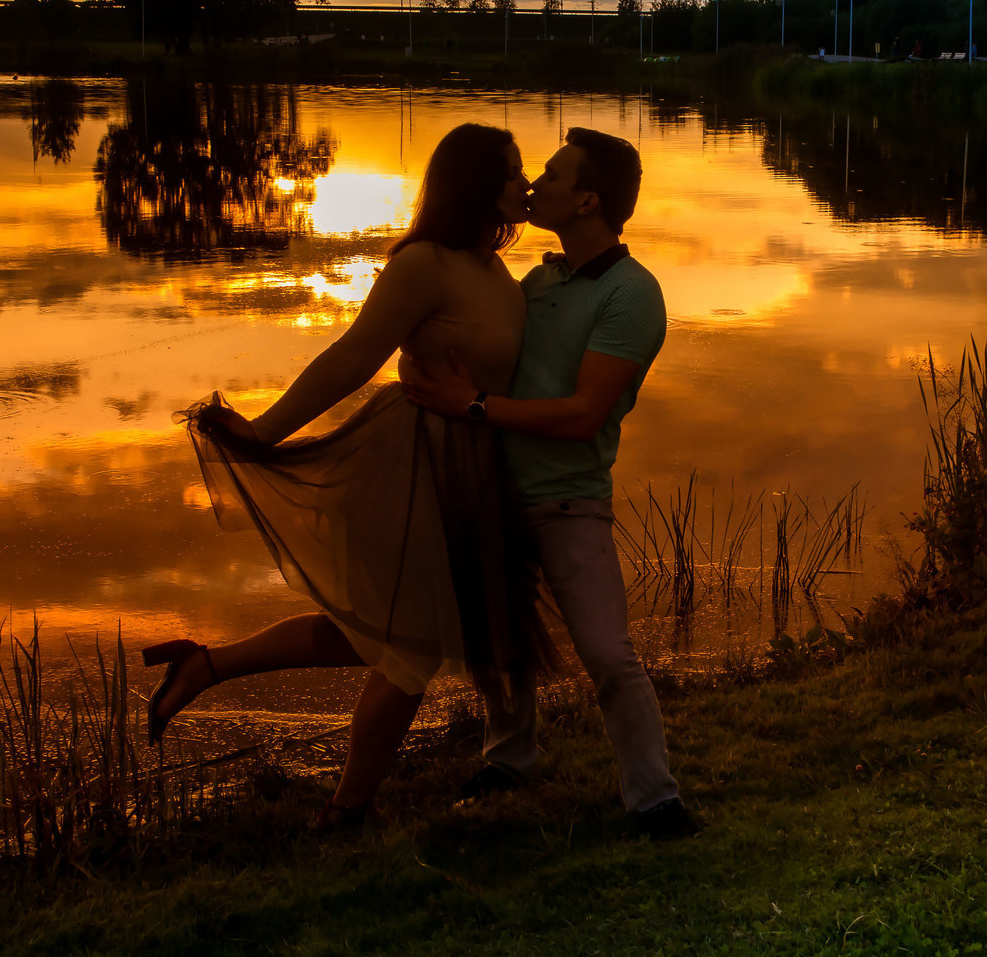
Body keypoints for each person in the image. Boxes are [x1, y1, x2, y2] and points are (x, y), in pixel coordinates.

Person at [142, 123, 547, 832]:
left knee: (375, 635)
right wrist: (266, 431)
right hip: (410, 469)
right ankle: (347, 810)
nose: (527, 183)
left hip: (472, 475)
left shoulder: (497, 274)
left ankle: (205, 666)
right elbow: (354, 354)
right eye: (514, 172)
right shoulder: (424, 263)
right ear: (478, 185)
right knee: (412, 649)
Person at [403, 127, 697, 841]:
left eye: (553, 175)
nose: (535, 184)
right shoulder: (539, 281)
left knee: (605, 651)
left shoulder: (632, 294)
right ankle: (510, 757)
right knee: (500, 639)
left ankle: (654, 797)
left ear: (589, 199)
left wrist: (473, 406)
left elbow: (582, 413)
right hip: (493, 488)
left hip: (568, 498)